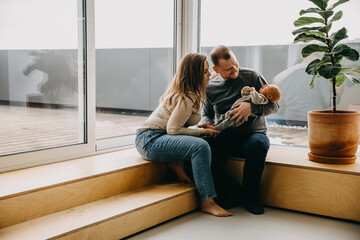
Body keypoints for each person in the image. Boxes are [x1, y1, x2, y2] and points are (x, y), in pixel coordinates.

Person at [135, 52, 232, 217]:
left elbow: (178, 124)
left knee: (208, 137)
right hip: (150, 139)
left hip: (160, 135)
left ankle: (176, 163)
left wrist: (201, 127)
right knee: (200, 145)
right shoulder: (186, 96)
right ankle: (207, 201)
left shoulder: (193, 92)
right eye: (205, 72)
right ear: (194, 75)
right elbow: (173, 130)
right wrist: (202, 131)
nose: (210, 74)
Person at [199, 45, 279, 215]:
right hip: (224, 135)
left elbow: (275, 106)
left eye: (235, 64)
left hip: (252, 135)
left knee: (258, 144)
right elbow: (206, 113)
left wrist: (252, 108)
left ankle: (250, 197)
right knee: (198, 148)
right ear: (216, 69)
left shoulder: (252, 76)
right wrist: (208, 124)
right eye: (228, 69)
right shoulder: (211, 87)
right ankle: (229, 192)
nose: (234, 69)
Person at [214, 85, 281, 130]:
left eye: (267, 87)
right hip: (234, 110)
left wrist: (253, 91)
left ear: (269, 96)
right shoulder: (256, 95)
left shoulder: (263, 99)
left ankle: (217, 128)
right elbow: (244, 95)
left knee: (228, 121)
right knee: (223, 117)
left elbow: (256, 101)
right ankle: (214, 125)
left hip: (239, 115)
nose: (264, 85)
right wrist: (246, 90)